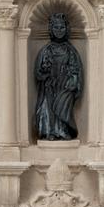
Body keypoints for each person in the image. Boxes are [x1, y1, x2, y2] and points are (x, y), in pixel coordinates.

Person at [33, 12, 83, 141]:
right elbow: (38, 71)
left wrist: (73, 80)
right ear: (51, 29)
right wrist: (45, 74)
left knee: (63, 106)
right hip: (50, 85)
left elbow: (75, 69)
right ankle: (49, 131)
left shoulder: (70, 51)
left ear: (66, 29)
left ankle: (62, 130)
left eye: (62, 28)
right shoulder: (46, 50)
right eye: (56, 27)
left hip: (64, 85)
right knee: (48, 108)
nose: (59, 31)